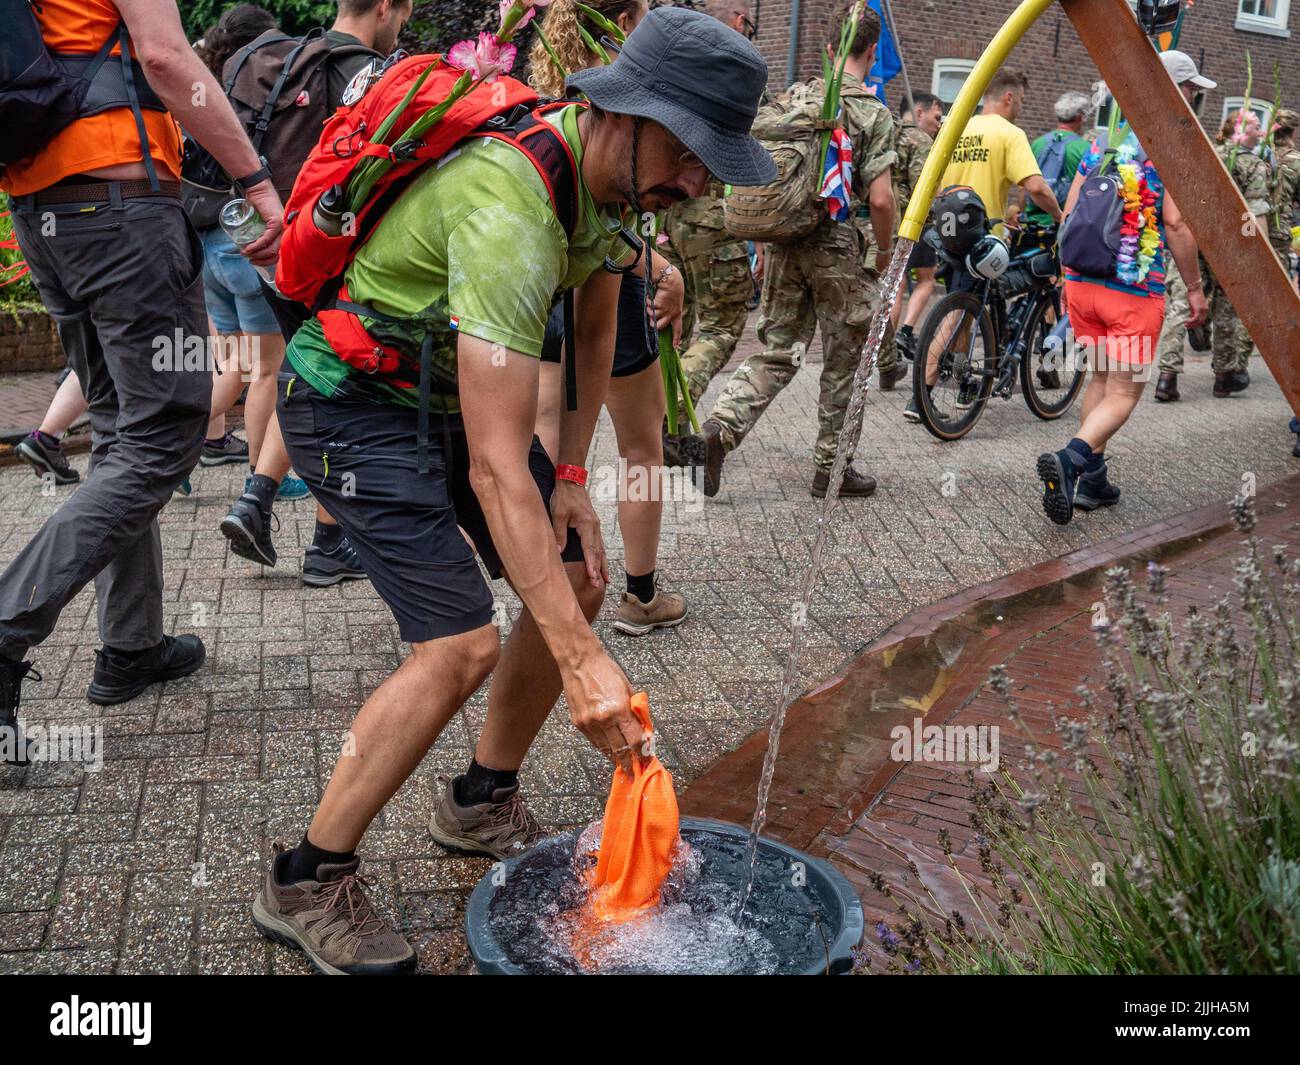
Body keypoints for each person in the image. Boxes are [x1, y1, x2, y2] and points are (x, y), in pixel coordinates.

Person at [250, 6, 774, 973]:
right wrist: (583, 667)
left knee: (571, 576)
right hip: (350, 402)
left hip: (439, 399)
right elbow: (495, 466)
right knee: (459, 642)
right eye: (694, 152)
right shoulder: (510, 207)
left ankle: (480, 800)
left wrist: (572, 477)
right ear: (630, 112)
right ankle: (304, 875)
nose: (697, 182)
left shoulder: (608, 185)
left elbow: (594, 317)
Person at [0, 0, 282, 744]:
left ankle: (131, 646)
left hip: (42, 208)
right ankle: (6, 623)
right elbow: (165, 57)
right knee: (165, 433)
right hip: (118, 201)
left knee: (125, 425)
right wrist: (254, 179)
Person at [217, 0, 410, 587]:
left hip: (275, 250)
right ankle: (329, 543)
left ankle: (257, 497)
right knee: (339, 389)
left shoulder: (293, 55)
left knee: (306, 373)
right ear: (385, 7)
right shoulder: (364, 72)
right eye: (402, 14)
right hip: (334, 256)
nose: (401, 26)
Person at [682, 2, 897, 500]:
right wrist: (884, 252)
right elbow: (882, 198)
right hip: (838, 246)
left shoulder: (795, 99)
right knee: (845, 356)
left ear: (826, 48)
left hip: (783, 242)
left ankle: (718, 431)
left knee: (778, 351)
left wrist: (762, 243)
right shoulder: (870, 110)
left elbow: (767, 176)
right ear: (873, 50)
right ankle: (832, 468)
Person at [528, 0, 691, 638]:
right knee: (640, 442)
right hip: (607, 278)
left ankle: (548, 589)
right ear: (625, 22)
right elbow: (609, 221)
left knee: (546, 429)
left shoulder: (542, 75)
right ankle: (641, 596)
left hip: (541, 278)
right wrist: (666, 271)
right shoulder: (627, 90)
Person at [1035, 58, 1208, 526]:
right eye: (1190, 89)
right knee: (1125, 393)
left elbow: (1070, 212)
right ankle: (1071, 461)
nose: (1193, 97)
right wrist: (1194, 287)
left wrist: (1067, 277)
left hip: (1083, 286)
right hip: (1132, 293)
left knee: (1100, 380)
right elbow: (1174, 222)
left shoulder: (1103, 141)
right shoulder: (1169, 147)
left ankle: (1093, 480)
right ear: (1176, 91)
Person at [908, 68, 1063, 421]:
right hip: (982, 241)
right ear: (1008, 97)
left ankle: (966, 385)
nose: (1021, 106)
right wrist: (1059, 216)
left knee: (966, 307)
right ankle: (921, 395)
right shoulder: (1009, 133)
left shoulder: (956, 127)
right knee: (958, 312)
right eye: (1021, 100)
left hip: (948, 235)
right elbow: (1036, 187)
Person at [659, 0, 759, 415]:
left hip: (667, 215)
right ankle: (674, 413)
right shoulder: (738, 77)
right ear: (738, 23)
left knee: (673, 323)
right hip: (713, 217)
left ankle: (654, 415)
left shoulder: (679, 68)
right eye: (751, 26)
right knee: (720, 329)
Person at [1154, 102, 1270, 402]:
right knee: (1227, 310)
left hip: (1191, 237)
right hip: (1228, 245)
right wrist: (1257, 252)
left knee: (1180, 304)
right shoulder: (1254, 165)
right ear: (1241, 129)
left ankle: (1166, 379)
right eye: (1255, 122)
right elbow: (1254, 215)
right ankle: (1224, 376)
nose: (1261, 127)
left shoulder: (1205, 156)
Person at [881, 90, 944, 390]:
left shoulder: (885, 132)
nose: (939, 123)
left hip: (882, 220)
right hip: (912, 221)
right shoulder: (921, 142)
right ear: (919, 113)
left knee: (892, 286)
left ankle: (885, 358)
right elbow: (925, 186)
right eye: (936, 116)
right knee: (921, 280)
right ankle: (901, 335)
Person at [1023, 90, 1092, 228]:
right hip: (1066, 223)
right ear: (1080, 116)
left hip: (1033, 223)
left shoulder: (1038, 143)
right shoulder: (1085, 148)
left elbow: (1023, 187)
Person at [1267, 108, 1299, 286]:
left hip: (1248, 224)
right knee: (1275, 281)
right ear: (1293, 131)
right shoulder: (1296, 160)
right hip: (1278, 227)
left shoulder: (1258, 153)